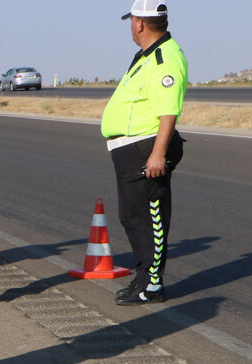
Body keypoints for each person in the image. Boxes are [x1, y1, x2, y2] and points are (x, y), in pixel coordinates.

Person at [102, 0, 187, 305]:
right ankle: (142, 279)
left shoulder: (164, 59)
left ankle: (151, 286)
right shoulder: (146, 56)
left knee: (149, 217)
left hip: (147, 148)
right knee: (132, 216)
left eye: (132, 21)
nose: (131, 26)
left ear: (139, 23)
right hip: (133, 148)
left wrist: (158, 154)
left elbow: (168, 112)